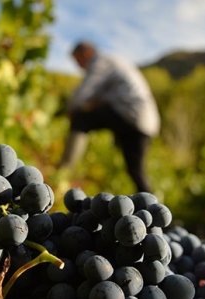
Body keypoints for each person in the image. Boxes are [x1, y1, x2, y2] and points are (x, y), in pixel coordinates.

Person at [58, 41, 160, 193]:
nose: (78, 67)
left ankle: (62, 173)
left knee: (80, 119)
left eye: (77, 61)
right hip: (146, 121)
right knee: (136, 170)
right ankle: (153, 209)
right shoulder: (114, 63)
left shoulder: (100, 62)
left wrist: (70, 110)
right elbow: (98, 97)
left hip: (131, 114)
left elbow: (84, 93)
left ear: (86, 53)